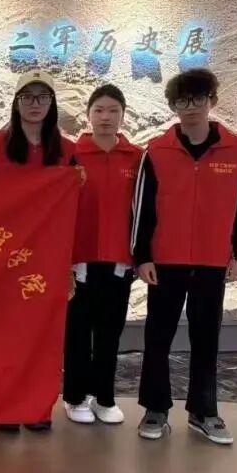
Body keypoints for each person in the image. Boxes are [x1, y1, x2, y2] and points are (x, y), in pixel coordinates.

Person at [131, 68, 237, 445]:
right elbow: (141, 208)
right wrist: (142, 256)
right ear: (173, 106)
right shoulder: (157, 150)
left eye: (198, 99)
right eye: (182, 101)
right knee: (158, 336)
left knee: (206, 338)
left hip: (211, 260)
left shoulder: (236, 148)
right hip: (165, 261)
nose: (191, 107)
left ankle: (204, 411)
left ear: (211, 101)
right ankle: (156, 408)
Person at [0, 69, 77, 434]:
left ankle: (37, 406)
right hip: (2, 255)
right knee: (4, 333)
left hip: (47, 256)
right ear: (16, 102)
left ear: (52, 104)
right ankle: (5, 407)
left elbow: (69, 205)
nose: (35, 104)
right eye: (28, 97)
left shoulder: (67, 150)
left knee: (42, 334)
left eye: (42, 97)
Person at [62, 84, 142, 426]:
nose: (106, 117)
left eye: (113, 111)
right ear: (88, 114)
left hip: (119, 260)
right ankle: (75, 396)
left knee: (110, 334)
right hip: (79, 260)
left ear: (123, 115)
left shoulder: (137, 157)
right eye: (99, 110)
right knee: (78, 333)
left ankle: (104, 397)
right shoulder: (71, 154)